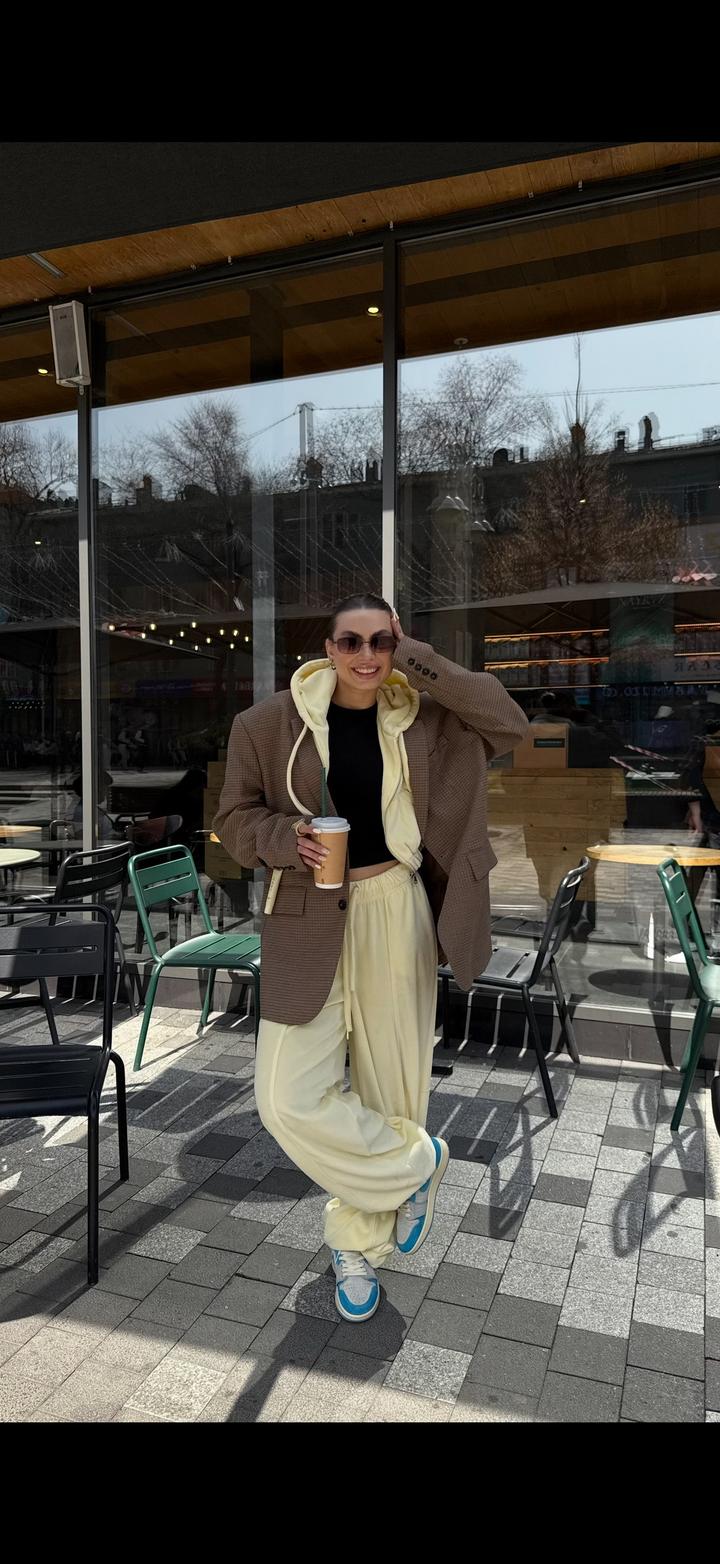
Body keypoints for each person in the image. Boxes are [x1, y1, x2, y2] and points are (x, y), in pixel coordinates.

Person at [213, 595, 528, 1323]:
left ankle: (355, 1247)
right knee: (286, 1097)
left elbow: (508, 723)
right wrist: (287, 839)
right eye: (350, 642)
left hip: (394, 905)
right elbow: (232, 819)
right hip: (305, 912)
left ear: (396, 645)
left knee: (392, 1088)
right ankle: (417, 1164)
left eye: (380, 642)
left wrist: (418, 659)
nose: (365, 656)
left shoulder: (424, 712)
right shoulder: (267, 724)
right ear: (327, 647)